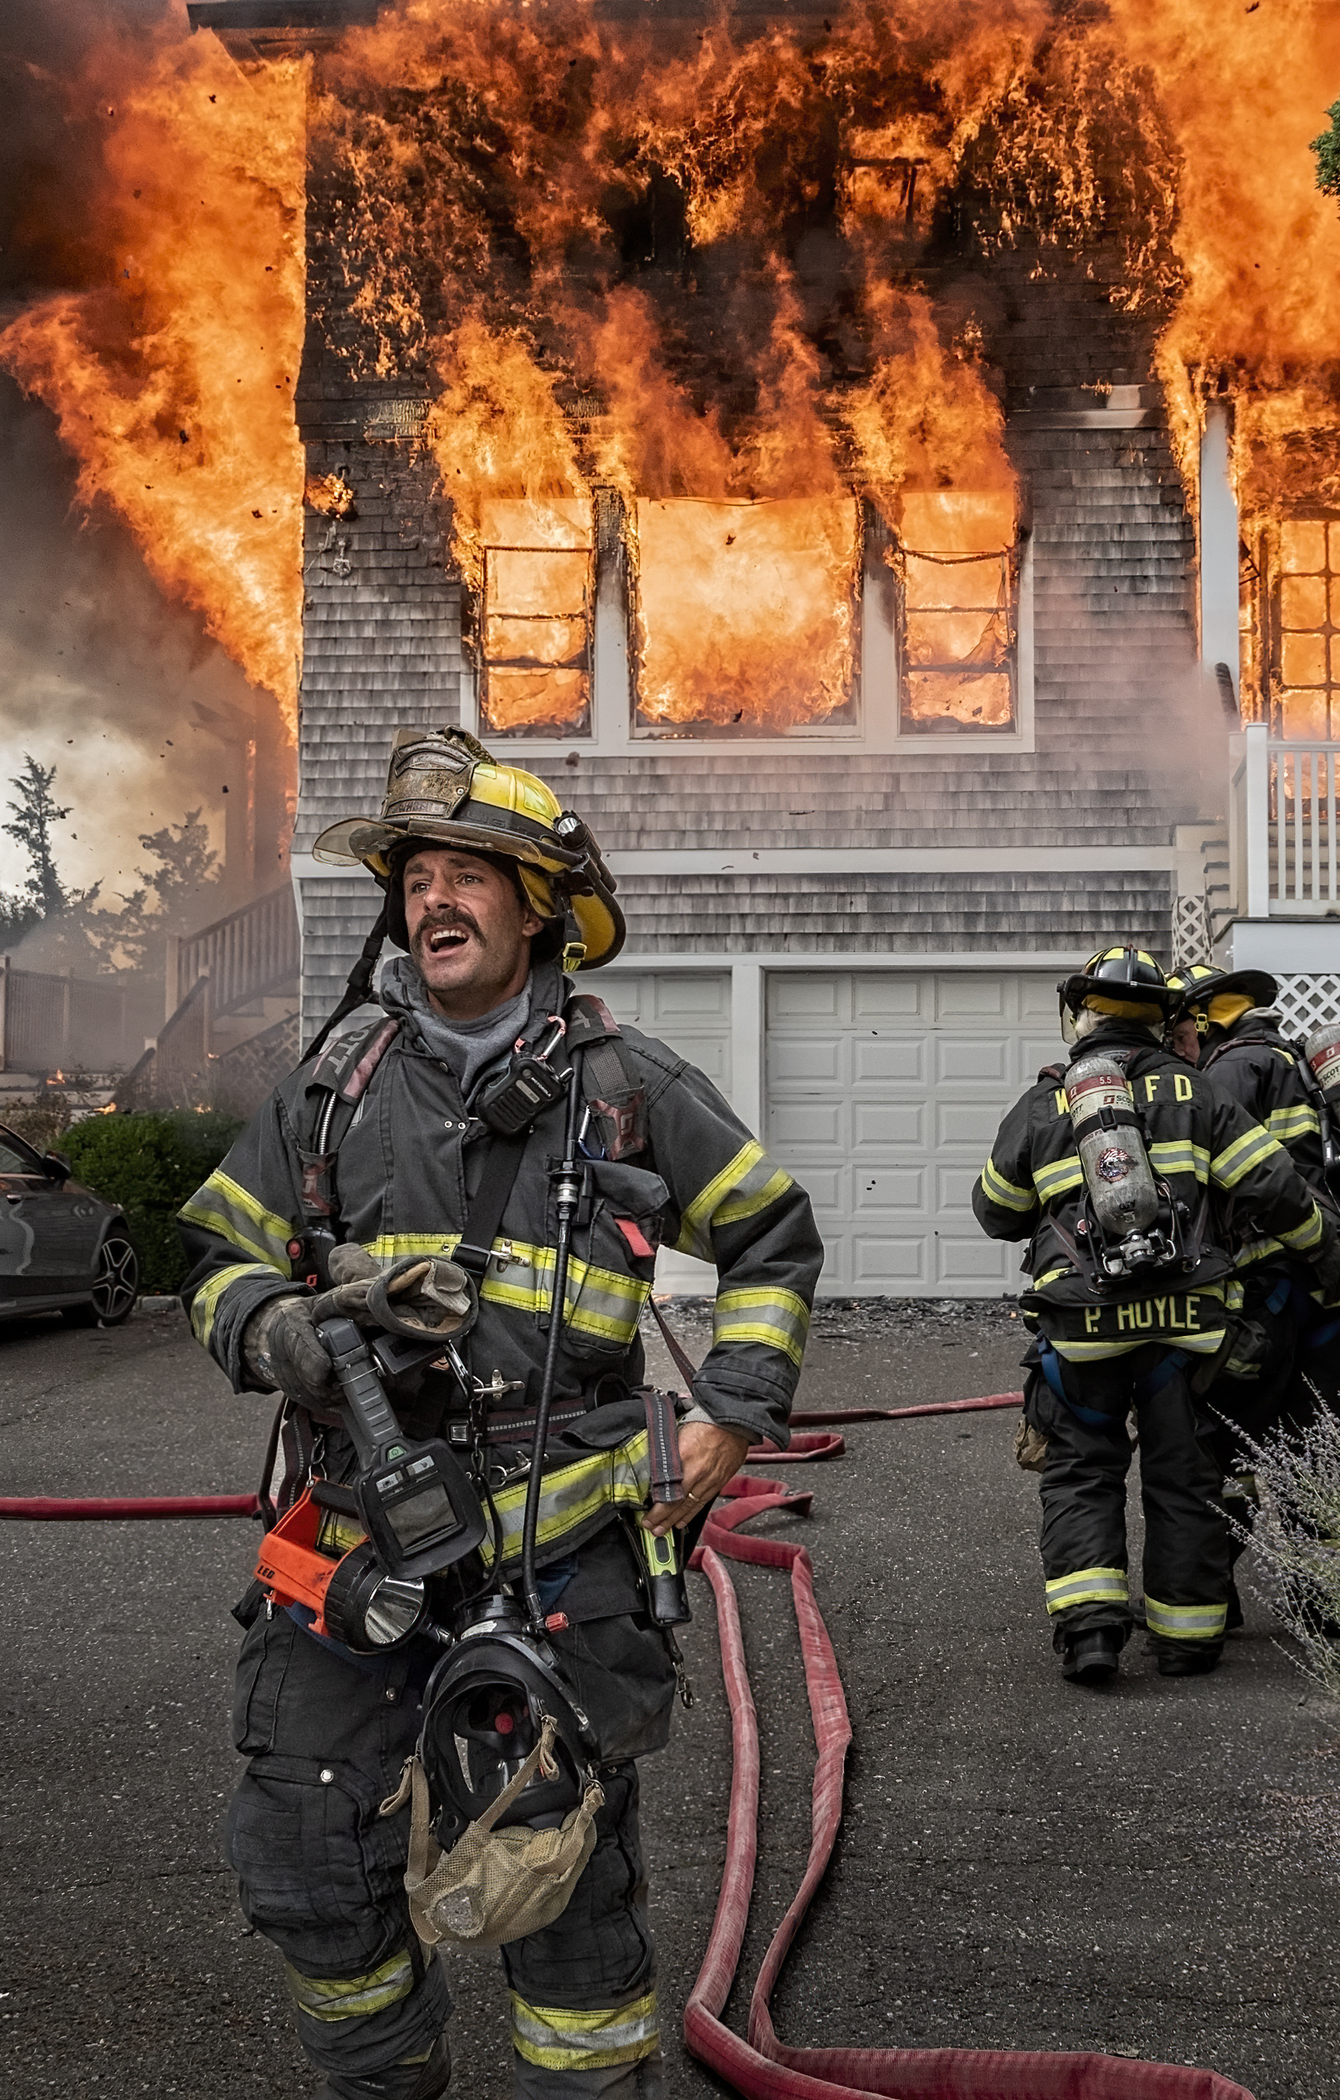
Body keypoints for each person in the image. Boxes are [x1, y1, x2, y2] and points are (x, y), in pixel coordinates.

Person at [178, 725, 823, 2100]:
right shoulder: (332, 1085)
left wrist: (730, 1416)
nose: (436, 901)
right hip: (360, 1544)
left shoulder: (629, 1089)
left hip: (565, 1553)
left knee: (566, 1896)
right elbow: (218, 1256)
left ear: (539, 909)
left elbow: (772, 1237)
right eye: (418, 878)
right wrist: (275, 1326)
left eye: (472, 874)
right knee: (307, 1857)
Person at [972, 945, 1340, 1687]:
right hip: (1190, 1329)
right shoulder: (1199, 1092)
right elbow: (1272, 1186)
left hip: (1080, 1330)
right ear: (1164, 1019)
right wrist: (1324, 1257)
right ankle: (1188, 1642)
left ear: (1079, 1015)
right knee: (1186, 1478)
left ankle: (1091, 1635)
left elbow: (996, 1212)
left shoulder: (1042, 1103)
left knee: (1083, 1473)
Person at [1165, 967, 1340, 1624]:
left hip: (1266, 1293)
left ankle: (1209, 1596)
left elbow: (1222, 1182)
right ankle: (1323, 1610)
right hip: (1318, 1295)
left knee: (1223, 1444)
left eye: (1186, 1022)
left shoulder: (1230, 1074)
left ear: (1208, 1018)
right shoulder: (1291, 1061)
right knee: (1316, 1445)